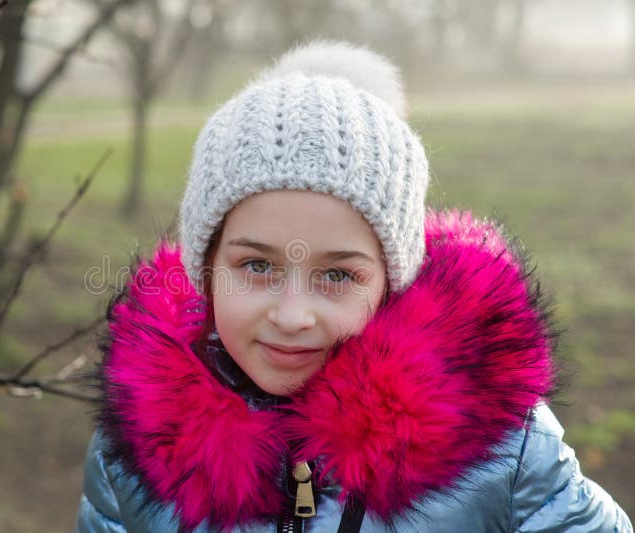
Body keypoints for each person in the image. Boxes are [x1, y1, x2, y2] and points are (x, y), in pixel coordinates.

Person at [75, 41, 632, 532]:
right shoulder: (137, 453)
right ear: (207, 270)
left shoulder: (501, 456)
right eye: (256, 267)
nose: (293, 315)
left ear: (392, 282)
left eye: (338, 275)